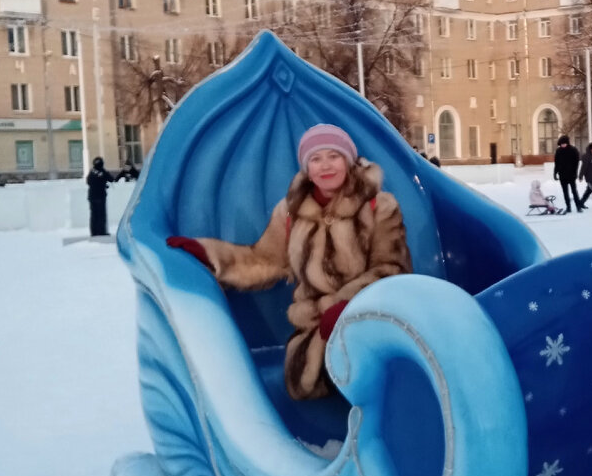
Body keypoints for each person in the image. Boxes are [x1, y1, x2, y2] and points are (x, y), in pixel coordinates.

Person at [166, 123, 413, 401]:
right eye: (316, 159)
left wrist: (348, 309)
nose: (325, 166)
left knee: (370, 378)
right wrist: (208, 254)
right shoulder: (290, 212)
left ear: (349, 160)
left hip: (367, 321)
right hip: (314, 328)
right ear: (307, 168)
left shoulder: (378, 205)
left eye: (334, 156)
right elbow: (263, 260)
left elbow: (392, 268)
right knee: (305, 382)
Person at [86, 157, 120, 236]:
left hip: (92, 196)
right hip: (100, 196)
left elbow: (88, 182)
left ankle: (94, 232)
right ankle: (101, 231)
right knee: (101, 214)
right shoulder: (103, 172)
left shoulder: (92, 171)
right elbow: (111, 179)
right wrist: (104, 184)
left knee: (93, 215)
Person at [553, 134, 582, 213]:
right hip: (562, 175)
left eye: (564, 144)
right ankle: (568, 207)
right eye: (561, 144)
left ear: (567, 143)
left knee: (574, 191)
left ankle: (578, 207)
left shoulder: (573, 150)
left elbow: (576, 163)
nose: (563, 145)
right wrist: (555, 173)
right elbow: (556, 163)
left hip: (571, 175)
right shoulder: (558, 151)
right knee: (565, 192)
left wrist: (575, 173)